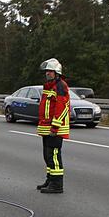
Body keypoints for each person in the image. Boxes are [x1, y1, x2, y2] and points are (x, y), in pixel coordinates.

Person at [36, 58, 70, 194]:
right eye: (47, 71)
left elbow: (62, 107)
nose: (47, 73)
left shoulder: (60, 86)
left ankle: (57, 184)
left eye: (50, 71)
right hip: (46, 127)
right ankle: (50, 180)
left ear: (57, 72)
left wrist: (55, 127)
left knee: (54, 155)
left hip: (55, 128)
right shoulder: (49, 86)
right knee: (47, 155)